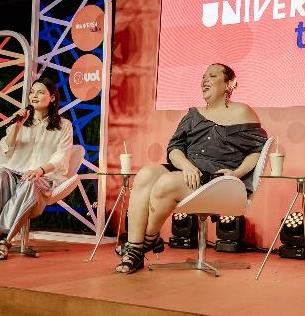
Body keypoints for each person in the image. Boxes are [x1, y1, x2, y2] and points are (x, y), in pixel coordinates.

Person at [115, 63, 268, 274]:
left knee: (166, 184)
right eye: (203, 76)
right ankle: (137, 246)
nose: (204, 80)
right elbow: (174, 148)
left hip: (217, 180)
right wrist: (186, 166)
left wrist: (236, 173)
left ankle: (141, 245)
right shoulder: (193, 115)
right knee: (145, 175)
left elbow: (257, 151)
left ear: (228, 84)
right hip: (187, 172)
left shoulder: (243, 111)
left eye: (212, 76)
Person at [0, 77, 73, 262]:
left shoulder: (63, 126)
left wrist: (40, 170)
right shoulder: (20, 122)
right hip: (16, 173)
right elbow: (6, 151)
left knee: (30, 181)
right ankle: (2, 243)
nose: (34, 95)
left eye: (40, 92)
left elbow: (61, 157)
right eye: (32, 92)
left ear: (52, 98)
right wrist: (17, 126)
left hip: (44, 177)